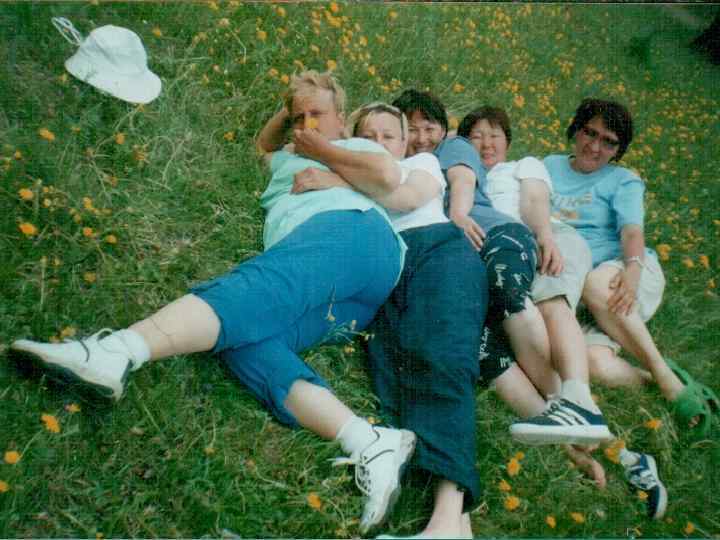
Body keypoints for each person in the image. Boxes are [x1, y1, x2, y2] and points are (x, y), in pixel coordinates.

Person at [10, 70, 418, 535]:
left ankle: (115, 352)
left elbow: (387, 174)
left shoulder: (354, 147)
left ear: (341, 118)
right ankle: (369, 442)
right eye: (299, 117)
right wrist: (291, 113)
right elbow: (262, 146)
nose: (307, 124)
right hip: (350, 300)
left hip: (357, 236)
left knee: (260, 287)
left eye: (318, 114)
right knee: (243, 340)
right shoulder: (285, 157)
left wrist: (324, 151)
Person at [456, 104, 668, 519]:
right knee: (505, 355)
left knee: (548, 304)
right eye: (475, 136)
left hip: (545, 245)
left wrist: (545, 237)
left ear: (509, 141)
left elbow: (536, 200)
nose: (485, 143)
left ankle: (579, 400)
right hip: (501, 270)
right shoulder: (459, 176)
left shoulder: (524, 167)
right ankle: (620, 454)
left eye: (494, 135)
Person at [290, 101, 487, 539]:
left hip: (437, 251)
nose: (379, 144)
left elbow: (404, 197)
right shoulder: (351, 169)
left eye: (389, 136)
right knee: (391, 375)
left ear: (404, 144)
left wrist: (332, 172)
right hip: (383, 266)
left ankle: (445, 517)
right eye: (369, 136)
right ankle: (455, 525)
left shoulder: (421, 165)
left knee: (443, 357)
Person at [393, 90, 613, 446]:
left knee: (514, 291)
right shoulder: (400, 161)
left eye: (429, 128)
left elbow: (464, 180)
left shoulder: (453, 147)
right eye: (411, 129)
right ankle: (563, 432)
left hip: (495, 235)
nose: (421, 138)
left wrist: (458, 215)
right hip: (460, 260)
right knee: (480, 344)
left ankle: (574, 402)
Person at [544, 98, 719, 439]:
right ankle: (661, 382)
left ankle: (666, 380)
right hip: (579, 293)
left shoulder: (623, 180)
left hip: (622, 271)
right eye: (589, 133)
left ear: (618, 150)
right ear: (575, 130)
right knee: (592, 364)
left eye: (608, 142)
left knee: (596, 283)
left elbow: (632, 231)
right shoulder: (548, 166)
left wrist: (633, 271)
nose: (595, 147)